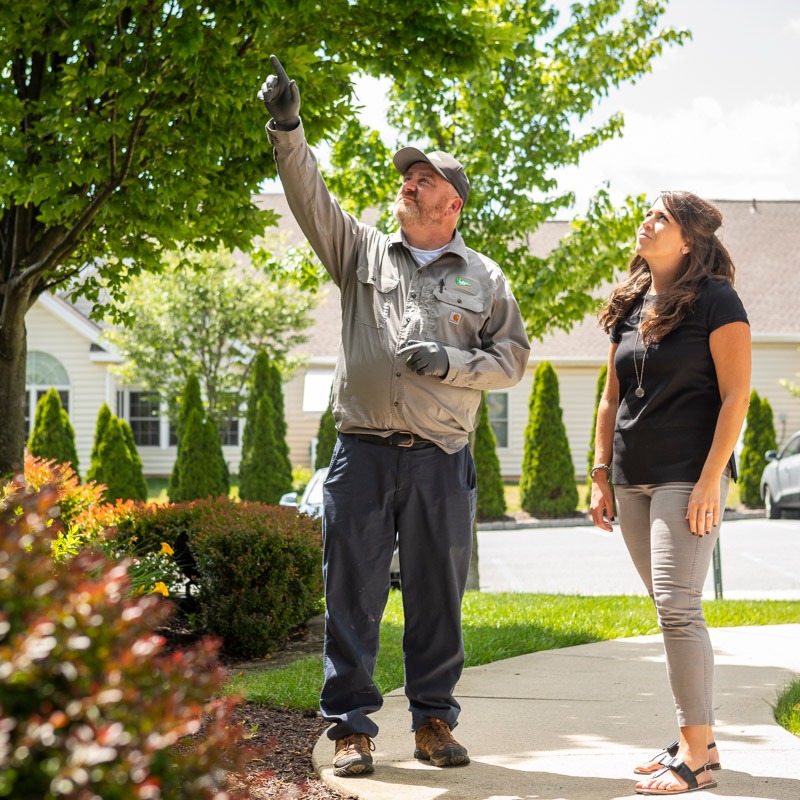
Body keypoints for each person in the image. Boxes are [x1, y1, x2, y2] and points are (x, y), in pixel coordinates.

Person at [257, 56, 530, 777]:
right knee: (352, 592)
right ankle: (351, 729)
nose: (409, 183)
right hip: (364, 450)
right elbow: (308, 195)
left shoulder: (484, 278)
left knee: (438, 594)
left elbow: (512, 362)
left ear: (453, 205)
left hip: (441, 455)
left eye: (426, 179)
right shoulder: (362, 252)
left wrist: (452, 365)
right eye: (407, 176)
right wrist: (289, 127)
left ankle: (434, 721)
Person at [590, 191, 751, 795]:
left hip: (688, 474)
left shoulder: (717, 301)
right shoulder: (632, 302)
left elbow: (736, 395)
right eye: (648, 212)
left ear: (688, 241)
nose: (646, 221)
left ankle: (699, 754)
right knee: (669, 609)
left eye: (661, 217)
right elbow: (611, 398)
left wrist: (712, 479)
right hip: (632, 477)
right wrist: (601, 473)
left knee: (679, 608)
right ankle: (692, 740)